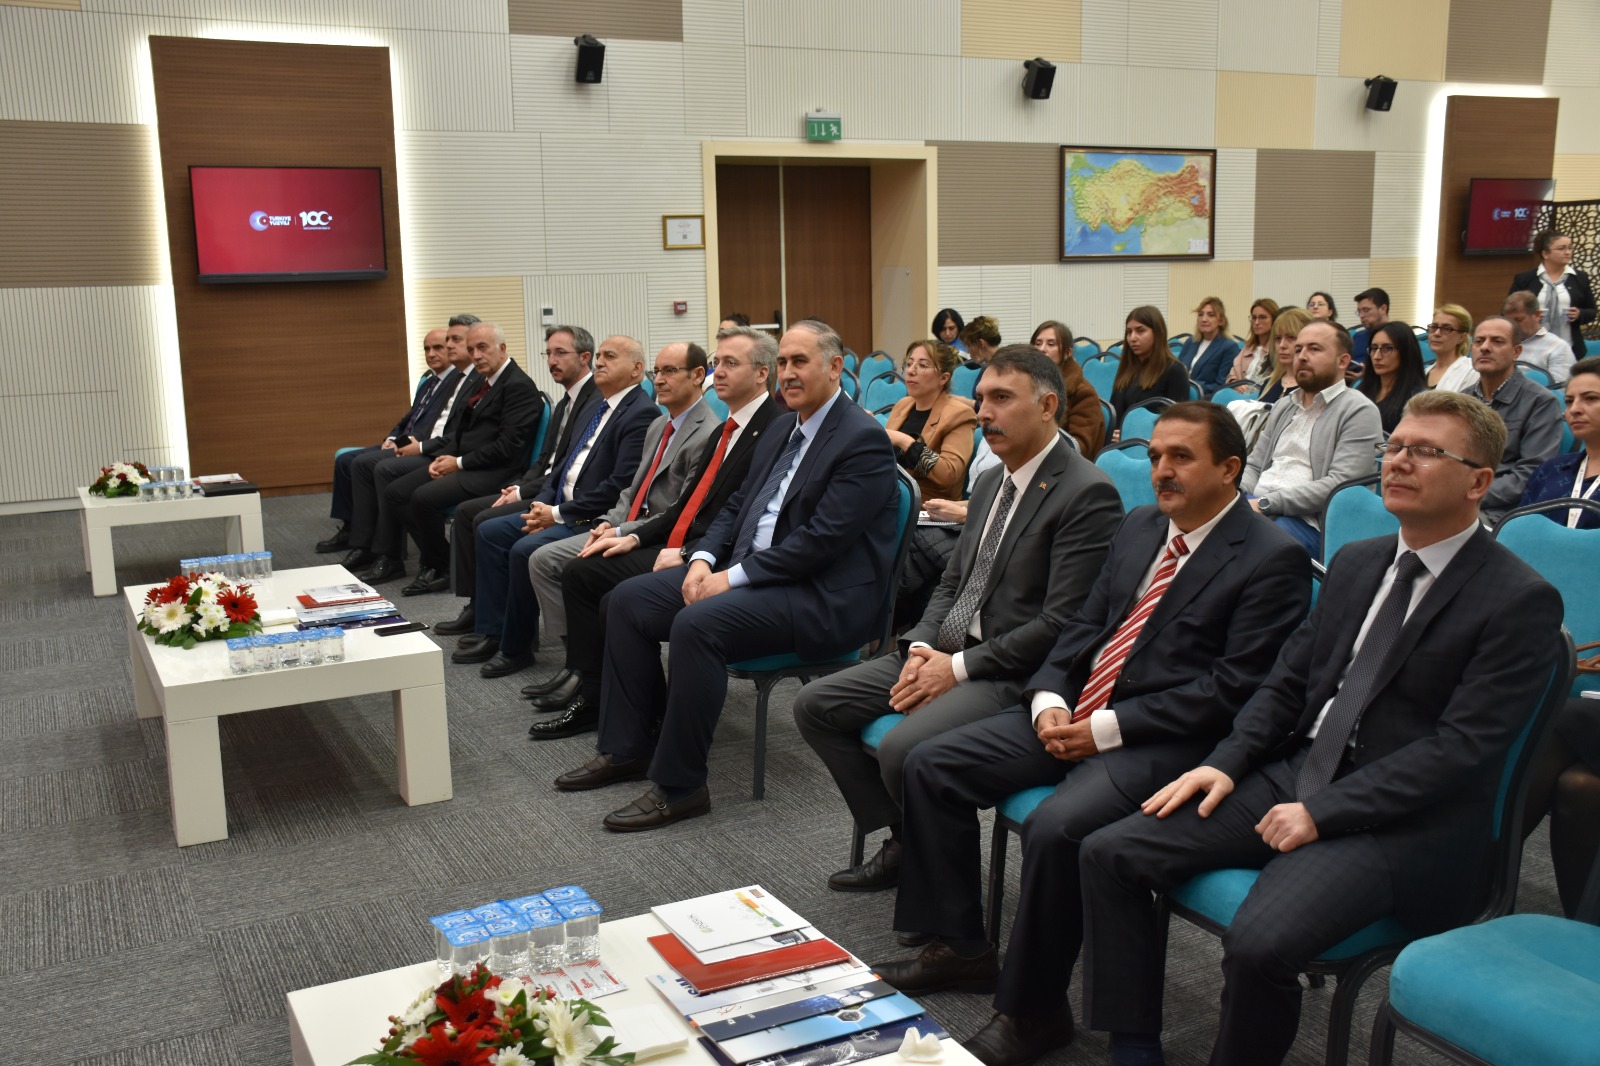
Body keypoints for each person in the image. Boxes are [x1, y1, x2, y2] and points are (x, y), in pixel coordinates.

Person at [1078, 390, 1563, 1066]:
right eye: (1395, 446)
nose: (1398, 461)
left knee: (1259, 944)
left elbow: (1459, 752)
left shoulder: (1519, 599)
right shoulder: (1360, 561)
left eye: (1426, 452)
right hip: (1300, 769)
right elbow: (1286, 684)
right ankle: (1133, 1047)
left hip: (1399, 824)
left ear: (1479, 481)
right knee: (1111, 852)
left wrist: (1320, 813)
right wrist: (1224, 761)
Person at [871, 403, 1310, 1066]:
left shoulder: (1272, 557)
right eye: (1156, 456)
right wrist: (1049, 698)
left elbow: (1231, 690)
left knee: (1056, 827)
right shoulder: (1142, 526)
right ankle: (962, 946)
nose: (1162, 471)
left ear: (1230, 468)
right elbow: (1082, 627)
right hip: (1077, 709)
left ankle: (1034, 1013)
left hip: (1163, 738)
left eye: (1181, 457)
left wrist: (1103, 729)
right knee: (931, 764)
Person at [794, 347, 1124, 893]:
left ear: (1047, 407)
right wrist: (923, 647)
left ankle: (930, 868)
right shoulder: (992, 481)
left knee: (901, 749)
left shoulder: (1087, 492)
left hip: (1009, 669)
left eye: (1002, 399)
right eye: (981, 399)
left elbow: (1060, 624)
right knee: (815, 705)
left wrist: (955, 669)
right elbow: (953, 582)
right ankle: (906, 838)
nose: (985, 412)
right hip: (947, 649)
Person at [552, 319, 900, 832]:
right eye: (783, 362)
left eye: (800, 362)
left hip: (819, 596)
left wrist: (732, 578)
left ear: (834, 367)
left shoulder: (861, 439)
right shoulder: (784, 426)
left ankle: (682, 786)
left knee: (698, 624)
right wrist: (702, 560)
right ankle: (629, 748)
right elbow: (737, 505)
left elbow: (820, 543)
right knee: (628, 601)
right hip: (756, 575)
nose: (787, 372)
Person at [533, 326, 782, 739]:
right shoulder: (729, 427)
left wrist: (687, 552)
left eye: (729, 363)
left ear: (761, 374)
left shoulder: (771, 429)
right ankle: (601, 691)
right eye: (718, 362)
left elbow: (741, 517)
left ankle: (631, 708)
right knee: (584, 572)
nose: (719, 372)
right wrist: (631, 536)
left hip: (715, 556)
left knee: (610, 594)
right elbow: (686, 506)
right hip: (687, 542)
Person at [519, 343, 719, 695]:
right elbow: (631, 490)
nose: (659, 380)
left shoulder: (707, 433)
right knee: (556, 562)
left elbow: (679, 511)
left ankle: (586, 673)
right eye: (658, 372)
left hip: (659, 536)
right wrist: (608, 523)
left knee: (573, 568)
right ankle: (582, 667)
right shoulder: (659, 425)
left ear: (698, 375)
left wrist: (623, 530)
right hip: (627, 526)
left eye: (670, 371)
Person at [455, 335, 657, 678]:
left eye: (610, 356)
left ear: (637, 369)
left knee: (523, 550)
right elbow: (562, 466)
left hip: (590, 517)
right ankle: (493, 631)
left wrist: (556, 515)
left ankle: (518, 647)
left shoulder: (641, 414)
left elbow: (618, 487)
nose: (600, 362)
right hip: (560, 507)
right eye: (600, 356)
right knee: (490, 531)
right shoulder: (597, 405)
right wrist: (542, 504)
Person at [434, 327, 600, 635]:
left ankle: (495, 624)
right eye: (548, 353)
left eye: (560, 353)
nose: (552, 361)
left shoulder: (594, 402)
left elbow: (565, 468)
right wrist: (521, 486)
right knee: (469, 514)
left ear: (585, 357)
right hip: (542, 486)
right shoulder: (567, 400)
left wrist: (525, 491)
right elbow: (545, 460)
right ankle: (479, 608)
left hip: (561, 499)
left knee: (482, 521)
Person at [370, 323, 543, 586]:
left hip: (496, 471)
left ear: (502, 348)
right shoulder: (483, 382)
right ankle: (443, 560)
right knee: (395, 493)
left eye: (482, 348)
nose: (476, 356)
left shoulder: (518, 386)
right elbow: (461, 432)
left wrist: (458, 463)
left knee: (422, 498)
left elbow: (507, 448)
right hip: (468, 463)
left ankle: (437, 566)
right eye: (471, 350)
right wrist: (443, 458)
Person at [342, 315, 479, 573]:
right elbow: (416, 420)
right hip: (433, 446)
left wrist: (422, 447)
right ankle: (369, 545)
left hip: (449, 454)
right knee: (360, 463)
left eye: (454, 340)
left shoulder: (475, 381)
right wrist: (399, 440)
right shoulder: (451, 379)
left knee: (383, 470)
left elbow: (461, 435)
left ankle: (391, 554)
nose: (448, 346)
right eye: (446, 340)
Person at [1241, 321, 1383, 556]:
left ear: (1343, 361)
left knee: (1247, 549)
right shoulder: (1284, 405)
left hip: (1308, 523)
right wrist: (1235, 495)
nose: (1302, 356)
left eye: (1314, 349)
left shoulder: (1359, 411)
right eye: (1299, 349)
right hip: (1256, 505)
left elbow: (1339, 485)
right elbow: (1255, 465)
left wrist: (1266, 503)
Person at [320, 326, 461, 555]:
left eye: (438, 348)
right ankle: (351, 528)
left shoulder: (457, 382)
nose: (431, 354)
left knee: (365, 464)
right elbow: (409, 418)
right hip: (405, 441)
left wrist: (405, 444)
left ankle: (370, 546)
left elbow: (432, 430)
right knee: (345, 460)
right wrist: (393, 437)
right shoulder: (429, 381)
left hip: (422, 447)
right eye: (426, 349)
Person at [1463, 316, 1564, 525]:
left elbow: (1531, 474)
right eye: (1479, 341)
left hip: (1503, 511)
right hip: (1460, 497)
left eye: (1497, 341)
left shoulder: (1541, 402)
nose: (1485, 347)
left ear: (1516, 352)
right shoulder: (1462, 399)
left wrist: (1466, 495)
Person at [884, 340, 977, 503]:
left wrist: (904, 441)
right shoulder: (902, 405)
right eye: (909, 364)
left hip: (926, 506)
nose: (911, 371)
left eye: (923, 365)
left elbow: (949, 474)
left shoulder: (959, 414)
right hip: (889, 495)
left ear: (943, 378)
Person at [1518, 355, 1600, 528]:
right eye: (1569, 401)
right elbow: (1519, 531)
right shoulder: (1550, 470)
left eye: (1591, 398)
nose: (1574, 409)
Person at [1510, 229, 1596, 357]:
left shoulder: (1580, 278)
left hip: (1569, 348)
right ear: (1545, 253)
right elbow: (1508, 313)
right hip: (1531, 348)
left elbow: (1592, 311)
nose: (1568, 252)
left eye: (1570, 248)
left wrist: (1579, 314)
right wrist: (1530, 317)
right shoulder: (1525, 279)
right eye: (1561, 249)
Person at [1109, 307, 1189, 431]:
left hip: (1152, 441)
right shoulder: (1127, 370)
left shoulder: (1175, 371)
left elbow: (1176, 425)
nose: (1132, 338)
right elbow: (1115, 415)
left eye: (1140, 331)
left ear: (1157, 333)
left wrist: (1128, 434)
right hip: (1120, 441)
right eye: (1129, 332)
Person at [1032, 320, 1105, 455]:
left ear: (1067, 352)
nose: (1042, 349)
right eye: (1038, 343)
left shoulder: (1083, 393)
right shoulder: (1029, 385)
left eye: (1051, 344)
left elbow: (1078, 446)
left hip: (1064, 463)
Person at [1355, 321, 1428, 434]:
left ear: (1405, 352)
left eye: (1387, 348)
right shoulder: (1362, 389)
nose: (1377, 356)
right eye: (1374, 348)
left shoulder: (1417, 399)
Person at [1502, 289, 1576, 383]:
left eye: (1519, 320)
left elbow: (1558, 388)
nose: (1513, 326)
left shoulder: (1558, 347)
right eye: (1509, 321)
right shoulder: (1499, 344)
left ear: (1537, 315)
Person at [1174, 297, 1240, 396]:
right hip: (1180, 394)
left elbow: (1221, 385)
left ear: (1221, 321)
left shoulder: (1229, 347)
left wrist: (1192, 387)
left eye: (1211, 315)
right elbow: (1177, 371)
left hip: (1204, 399)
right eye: (1200, 314)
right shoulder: (1190, 342)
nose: (1204, 319)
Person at [1425, 304, 1479, 393]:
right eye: (1434, 327)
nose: (1437, 333)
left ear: (1461, 337)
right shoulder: (1424, 372)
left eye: (1446, 329)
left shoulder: (1471, 371)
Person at [1227, 299, 1280, 387]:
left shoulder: (1277, 350)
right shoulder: (1247, 347)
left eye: (1262, 317)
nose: (1256, 322)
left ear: (1274, 320)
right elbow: (1232, 375)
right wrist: (1235, 384)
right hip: (1237, 391)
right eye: (1254, 318)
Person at [1348, 286, 1390, 376]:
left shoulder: (1397, 336)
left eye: (1366, 310)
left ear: (1383, 309)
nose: (1361, 315)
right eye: (1359, 311)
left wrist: (1366, 377)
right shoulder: (1357, 337)